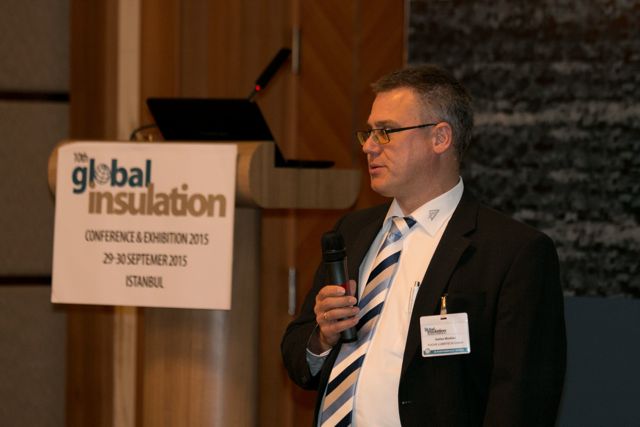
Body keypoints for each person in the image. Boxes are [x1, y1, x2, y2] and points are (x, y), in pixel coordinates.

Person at [281, 64, 566, 427]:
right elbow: (297, 356)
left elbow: (522, 399)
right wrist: (322, 338)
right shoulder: (352, 232)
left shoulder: (513, 252)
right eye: (369, 132)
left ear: (440, 138)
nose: (368, 146)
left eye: (385, 132)